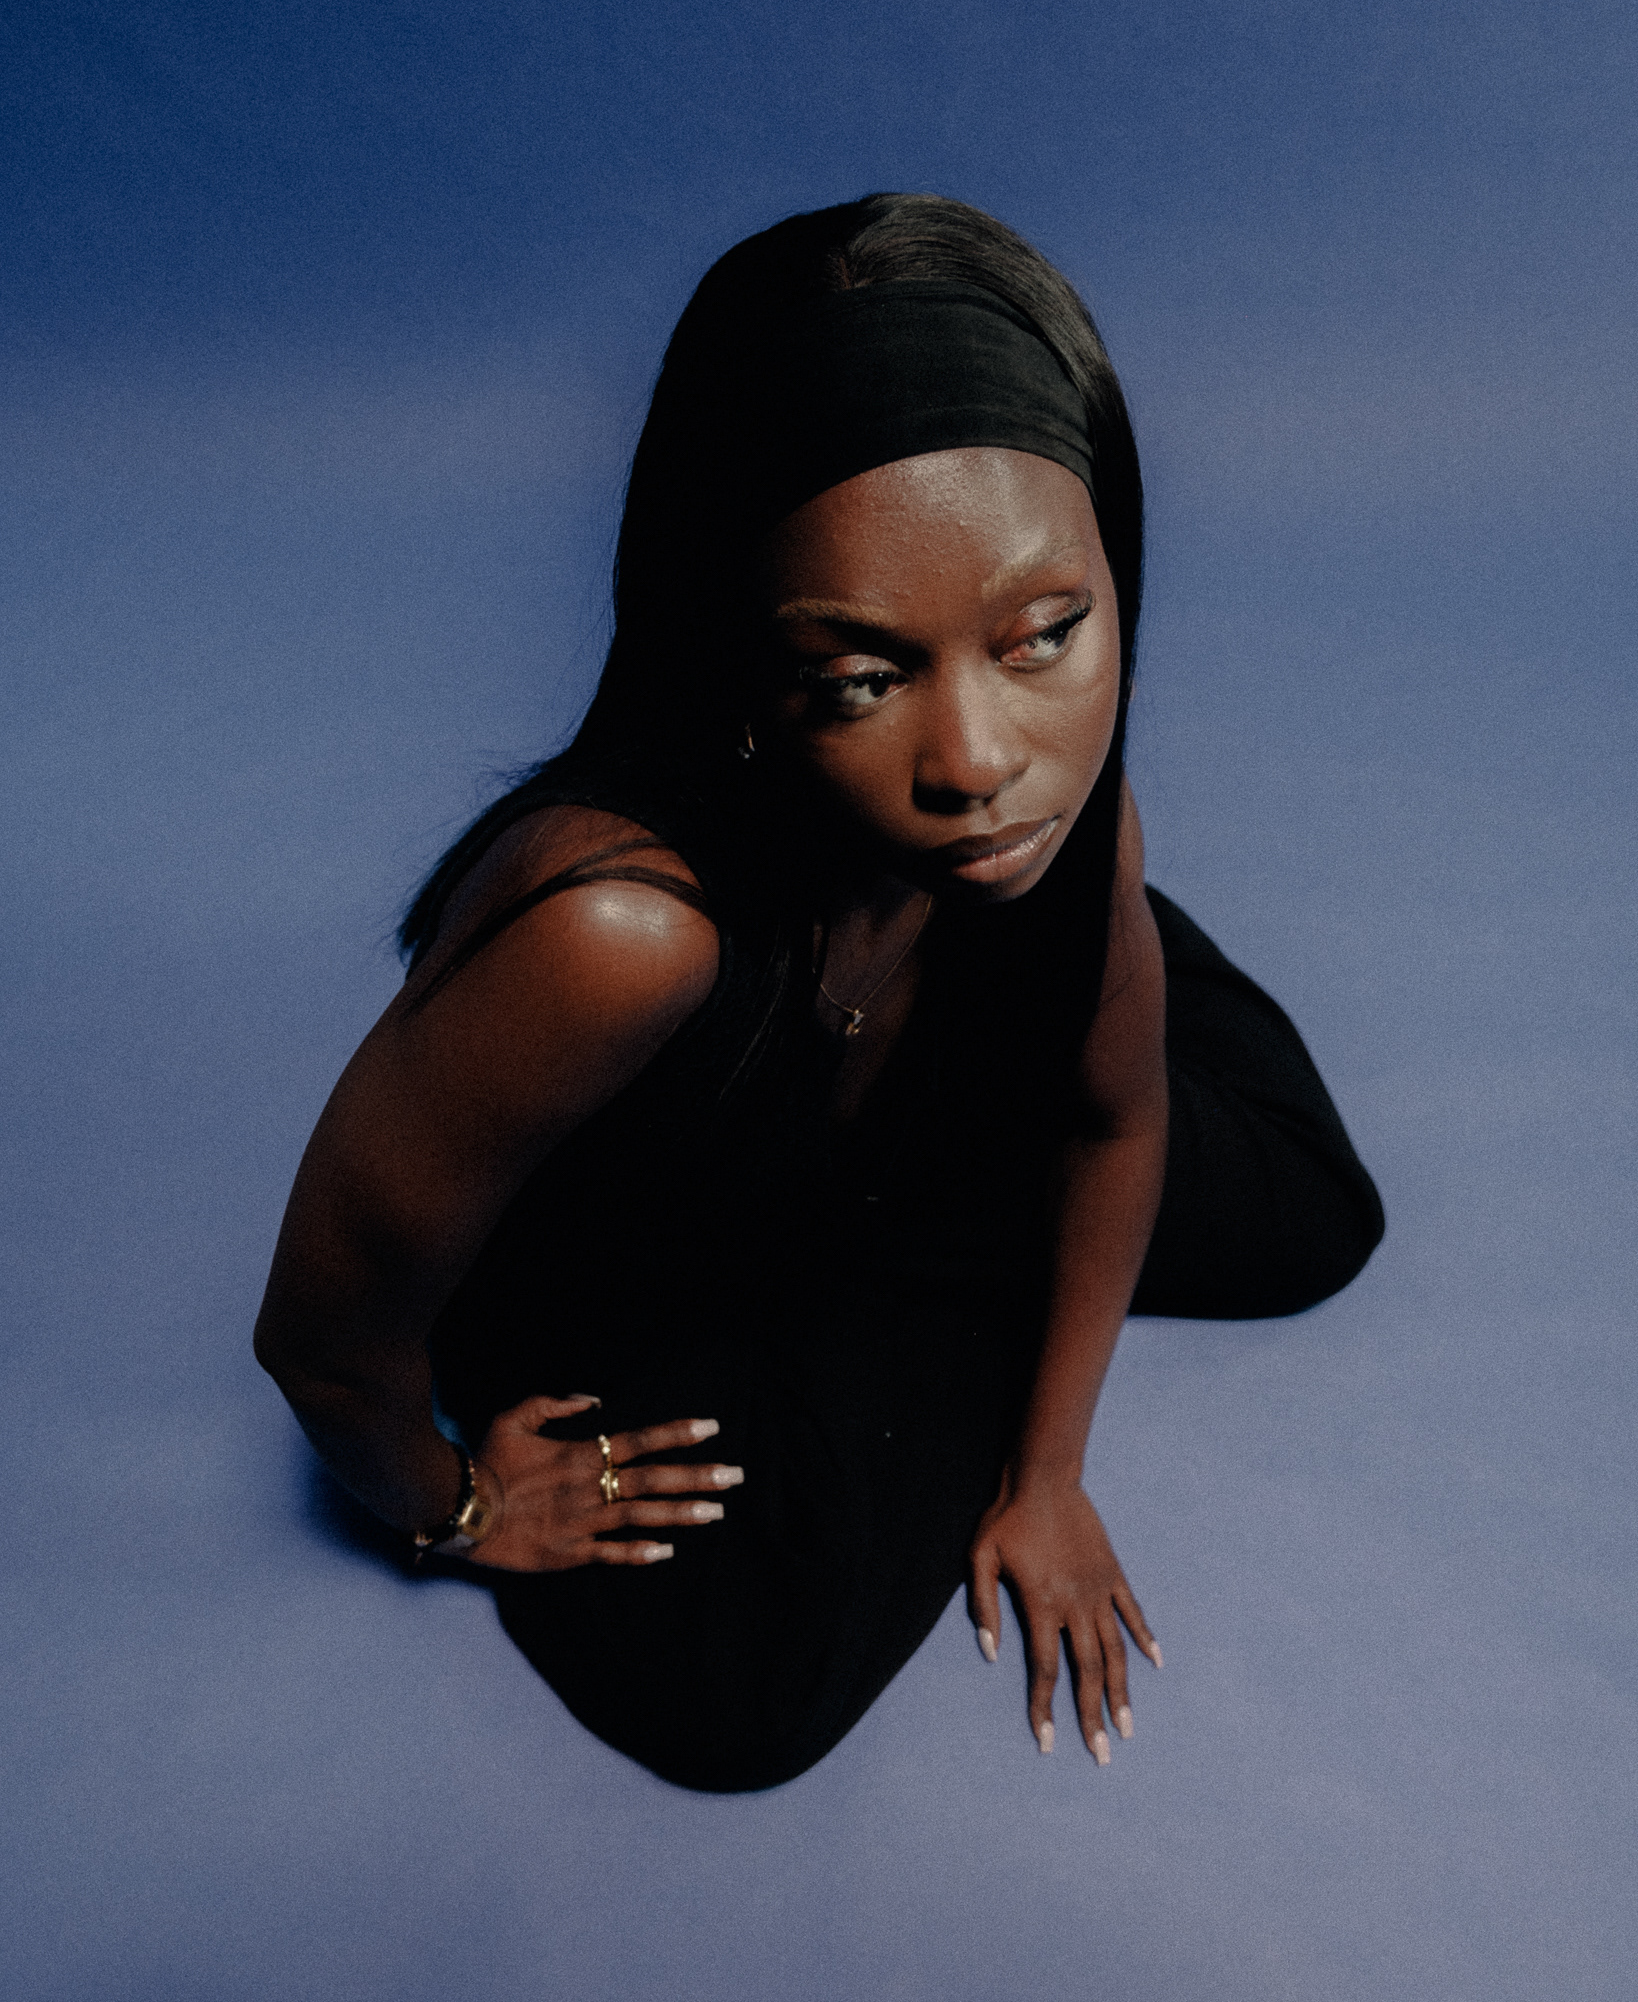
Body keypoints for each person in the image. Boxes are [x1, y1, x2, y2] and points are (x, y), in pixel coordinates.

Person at [254, 193, 1384, 1793]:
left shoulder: (1062, 818)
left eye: (1043, 636)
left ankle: (1077, 963)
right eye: (859, 678)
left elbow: (1114, 1121)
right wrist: (451, 1506)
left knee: (1313, 1217)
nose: (976, 762)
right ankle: (976, 1121)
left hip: (929, 1083)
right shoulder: (618, 939)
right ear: (738, 659)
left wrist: (1046, 1473)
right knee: (736, 1706)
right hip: (678, 1236)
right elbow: (322, 1339)